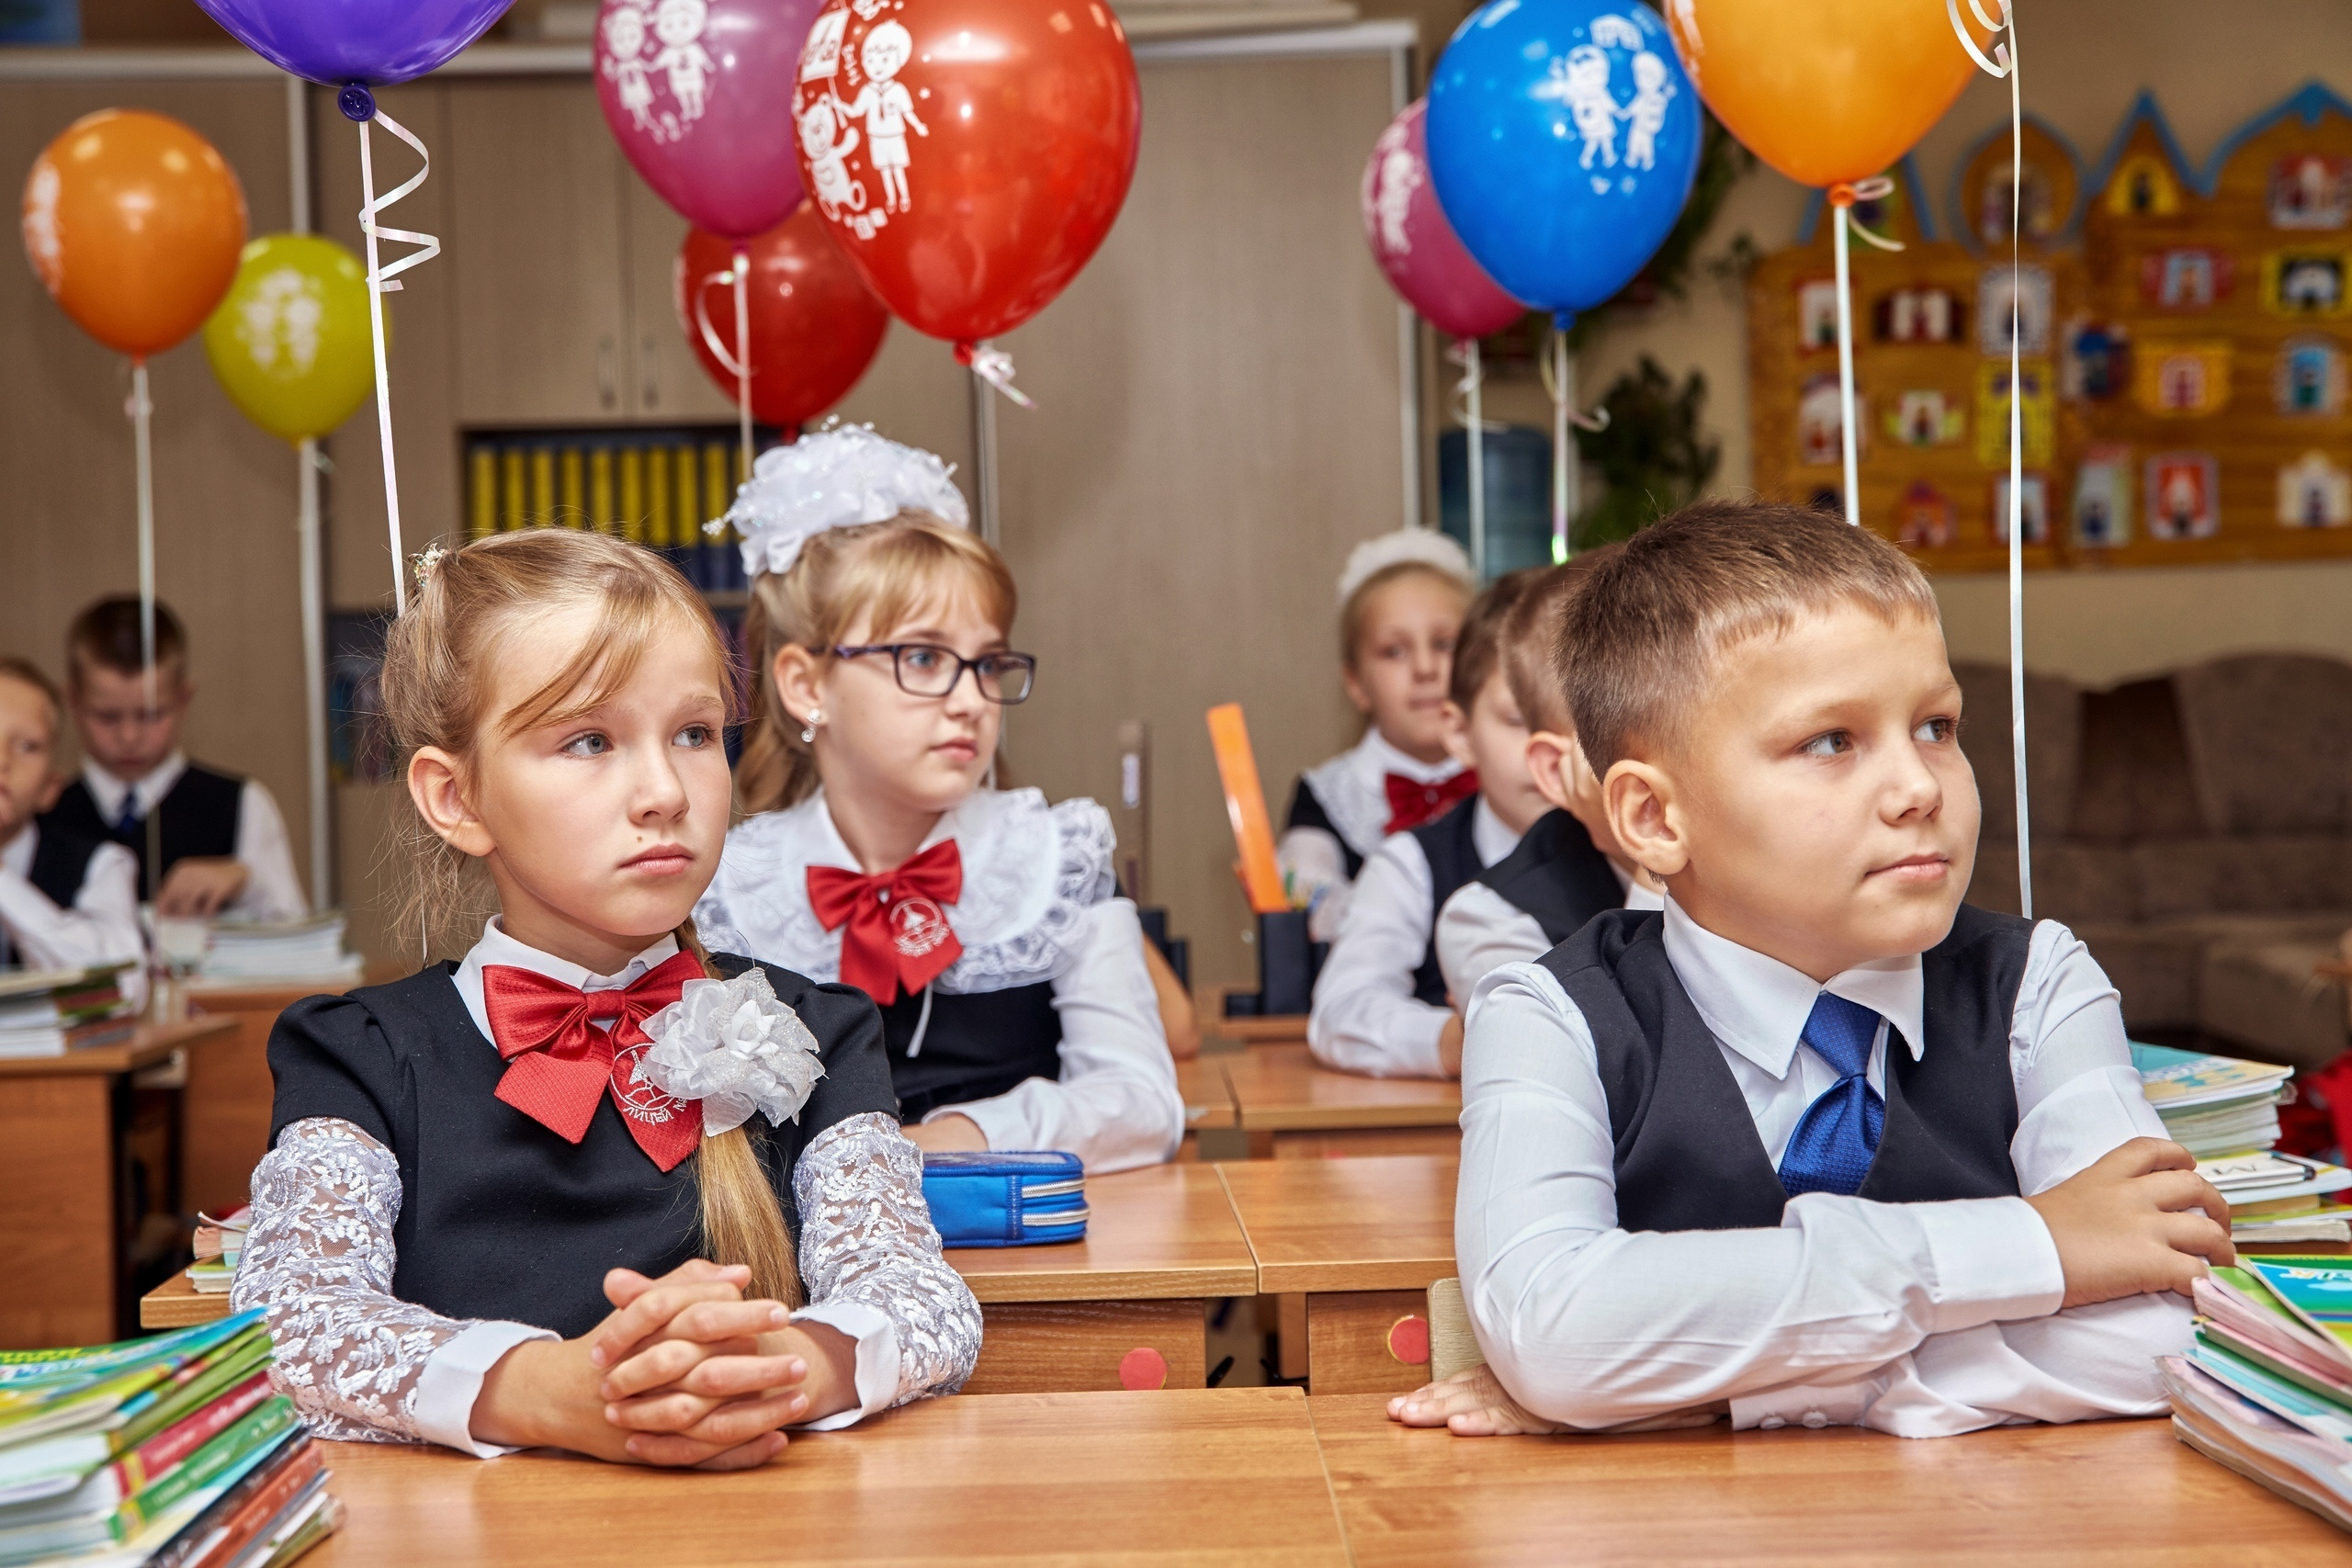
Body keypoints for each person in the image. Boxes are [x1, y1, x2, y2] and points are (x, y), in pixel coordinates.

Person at [1394, 502, 2227, 1438]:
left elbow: (2167, 1332)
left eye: (1936, 726)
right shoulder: (1547, 1015)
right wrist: (2037, 1246)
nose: (1920, 788)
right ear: (1655, 821)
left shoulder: (2038, 985)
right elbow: (1559, 1332)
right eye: (1830, 742)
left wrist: (1742, 1388)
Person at [234, 529, 979, 1467]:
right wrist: (558, 1396)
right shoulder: (359, 1053)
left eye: (695, 734)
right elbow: (293, 1325)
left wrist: (772, 1371)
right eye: (589, 740)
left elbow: (921, 1298)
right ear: (454, 797)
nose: (666, 791)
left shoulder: (817, 1030)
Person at [694, 425, 1182, 1175]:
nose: (971, 701)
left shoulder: (1053, 858)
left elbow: (1143, 1100)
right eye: (923, 657)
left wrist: (950, 1140)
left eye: (987, 664)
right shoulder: (732, 884)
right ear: (806, 684)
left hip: (1038, 1241)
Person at [1306, 570, 1550, 1079]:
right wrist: (1452, 1040)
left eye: (1582, 723)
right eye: (1518, 721)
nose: (1553, 753)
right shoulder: (1411, 862)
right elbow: (1341, 1008)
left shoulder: (1649, 859)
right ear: (1459, 730)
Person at [1434, 547, 1662, 1007]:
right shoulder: (1492, 918)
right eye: (1649, 727)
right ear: (1559, 770)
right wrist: (1656, 866)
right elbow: (1612, 1051)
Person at [45, 598, 307, 922]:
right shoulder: (43, 812)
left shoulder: (242, 802)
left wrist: (246, 881)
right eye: (107, 717)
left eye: (151, 714)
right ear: (72, 701)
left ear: (184, 698)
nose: (129, 736)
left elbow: (296, 933)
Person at [1277, 529, 1474, 943]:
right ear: (1356, 683)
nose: (1425, 668)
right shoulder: (1325, 799)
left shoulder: (1523, 779)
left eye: (1444, 644)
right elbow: (1308, 904)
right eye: (1394, 651)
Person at [0, 658, 143, 1001]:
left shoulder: (101, 865)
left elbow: (125, 987)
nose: (2, 762)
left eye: (26, 747)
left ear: (51, 786)